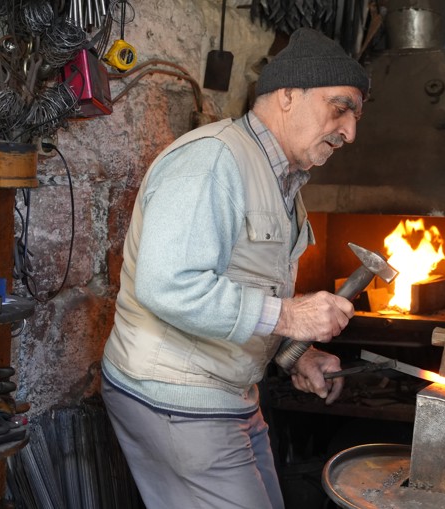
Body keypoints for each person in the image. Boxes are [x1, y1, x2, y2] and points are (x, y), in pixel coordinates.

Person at [101, 28, 370, 509]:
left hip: (230, 395)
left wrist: (295, 354)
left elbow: (246, 284)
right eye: (340, 107)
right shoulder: (212, 160)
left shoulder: (282, 179)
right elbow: (169, 286)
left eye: (356, 115)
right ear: (288, 95)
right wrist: (291, 317)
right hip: (177, 397)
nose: (350, 131)